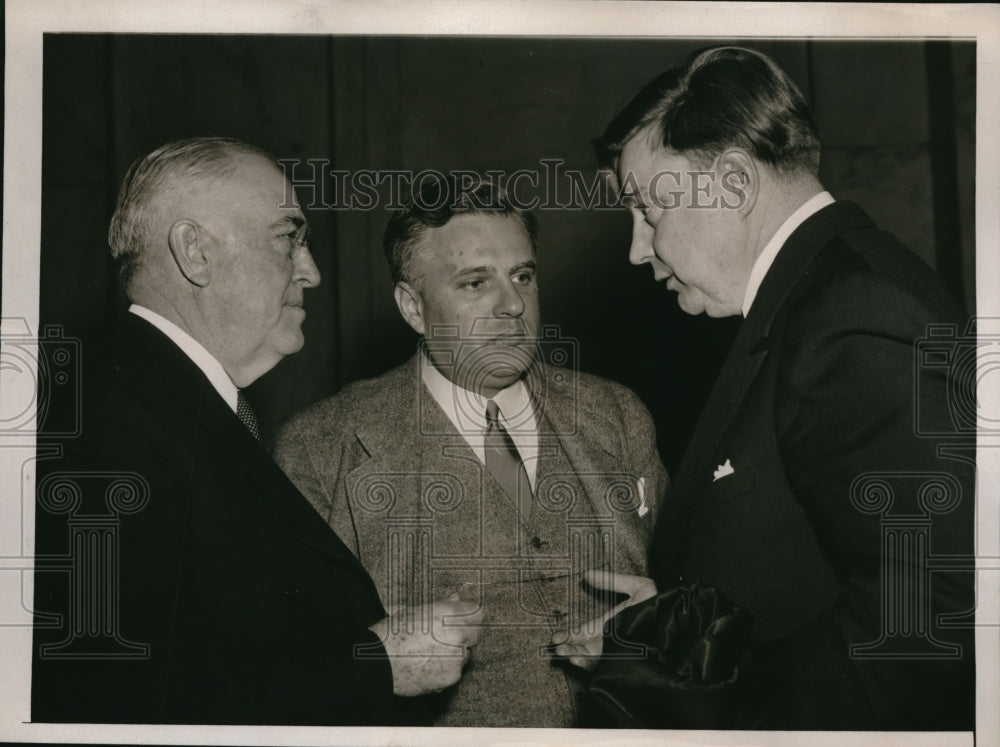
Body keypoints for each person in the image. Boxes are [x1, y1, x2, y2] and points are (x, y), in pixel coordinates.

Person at [553, 46, 975, 731]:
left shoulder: (848, 314)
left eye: (648, 211)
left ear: (732, 182)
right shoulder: (822, 293)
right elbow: (808, 560)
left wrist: (715, 702)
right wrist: (676, 625)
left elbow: (928, 621)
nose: (637, 248)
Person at [31, 137, 481, 725]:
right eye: (288, 236)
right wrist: (375, 664)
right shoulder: (104, 426)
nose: (312, 271)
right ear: (195, 252)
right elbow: (100, 698)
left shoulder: (169, 403)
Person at [273, 174, 669, 727]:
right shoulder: (321, 447)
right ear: (413, 307)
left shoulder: (619, 416)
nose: (513, 305)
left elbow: (692, 604)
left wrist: (654, 632)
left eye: (523, 276)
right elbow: (289, 669)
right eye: (476, 283)